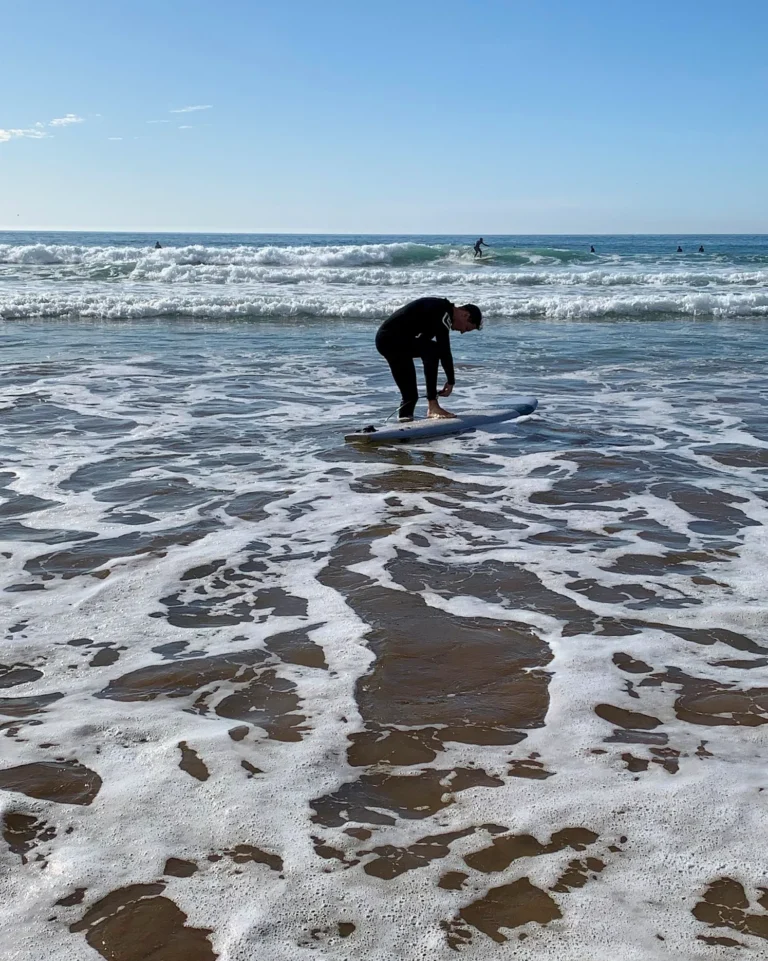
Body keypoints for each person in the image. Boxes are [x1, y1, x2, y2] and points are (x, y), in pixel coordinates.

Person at [376, 297, 482, 420]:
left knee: (410, 396)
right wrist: (451, 381)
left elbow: (425, 343)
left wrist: (450, 379)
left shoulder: (438, 313)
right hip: (391, 339)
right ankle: (433, 405)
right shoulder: (444, 312)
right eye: (467, 328)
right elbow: (444, 350)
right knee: (433, 350)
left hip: (388, 341)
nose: (462, 332)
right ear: (465, 315)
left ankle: (404, 425)